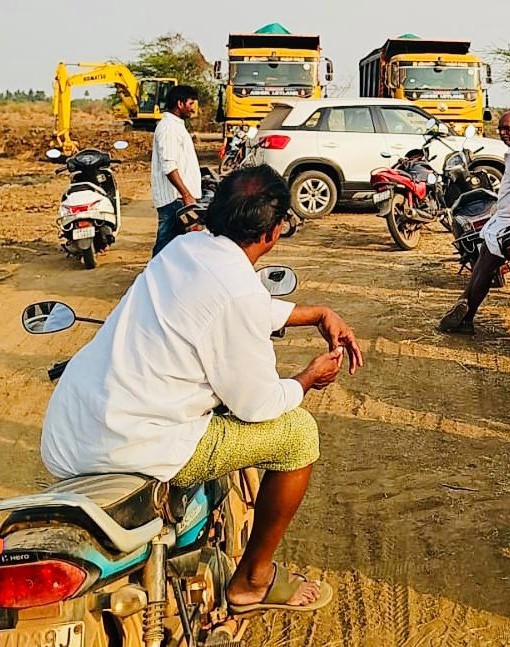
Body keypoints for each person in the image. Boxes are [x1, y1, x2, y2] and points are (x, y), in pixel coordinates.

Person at [41, 165, 365, 614]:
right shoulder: (235, 290)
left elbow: (236, 305)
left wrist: (314, 313)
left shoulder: (185, 248)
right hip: (139, 444)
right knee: (299, 434)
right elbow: (258, 404)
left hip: (70, 435)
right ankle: (253, 580)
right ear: (271, 233)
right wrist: (308, 378)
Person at [438, 111, 510, 334]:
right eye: (500, 129)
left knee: (485, 267)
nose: (503, 133)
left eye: (507, 129)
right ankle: (463, 302)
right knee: (482, 257)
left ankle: (468, 315)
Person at [151, 85, 201, 257]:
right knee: (165, 247)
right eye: (191, 103)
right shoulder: (168, 128)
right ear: (180, 104)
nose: (193, 108)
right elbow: (169, 166)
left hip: (179, 198)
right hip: (174, 199)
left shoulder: (176, 126)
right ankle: (155, 279)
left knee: (179, 246)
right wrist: (186, 194)